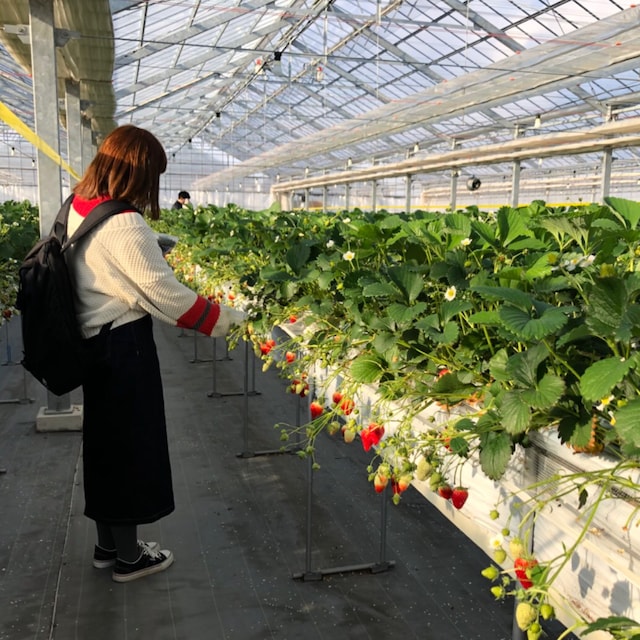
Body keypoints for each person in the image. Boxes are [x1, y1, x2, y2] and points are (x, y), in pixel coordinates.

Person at [64, 124, 246, 583]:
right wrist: (227, 319)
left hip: (92, 342)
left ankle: (108, 546)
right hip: (123, 347)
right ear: (139, 173)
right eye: (153, 175)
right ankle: (130, 559)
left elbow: (106, 262)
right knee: (131, 447)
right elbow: (166, 296)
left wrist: (151, 248)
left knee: (106, 446)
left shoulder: (78, 205)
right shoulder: (125, 223)